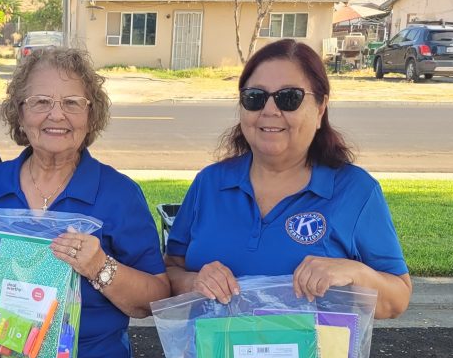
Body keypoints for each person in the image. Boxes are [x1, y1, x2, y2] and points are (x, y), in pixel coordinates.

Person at [0, 47, 170, 358]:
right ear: (19, 113)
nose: (56, 115)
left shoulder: (119, 194)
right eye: (40, 102)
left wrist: (101, 268)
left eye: (72, 102)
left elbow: (154, 299)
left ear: (90, 114)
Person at [164, 39, 412, 319]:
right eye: (255, 97)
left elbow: (397, 298)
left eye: (288, 98)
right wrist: (194, 281)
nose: (270, 110)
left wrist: (355, 272)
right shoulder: (209, 184)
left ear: (320, 109)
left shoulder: (356, 192)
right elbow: (171, 269)